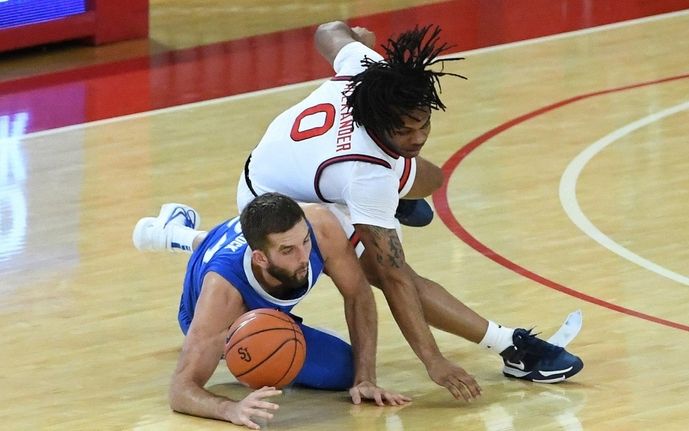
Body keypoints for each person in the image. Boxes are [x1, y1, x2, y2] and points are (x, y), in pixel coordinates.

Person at [236, 20, 584, 403]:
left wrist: (354, 38)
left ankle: (388, 209)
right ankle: (511, 347)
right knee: (389, 271)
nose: (417, 137)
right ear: (381, 122)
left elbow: (327, 30)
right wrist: (433, 359)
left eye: (424, 125)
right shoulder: (366, 174)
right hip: (277, 197)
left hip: (312, 161)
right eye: (406, 130)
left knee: (431, 179)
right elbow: (395, 277)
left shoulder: (369, 71)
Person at [132, 195, 410, 430]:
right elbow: (181, 390)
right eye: (288, 250)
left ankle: (188, 235)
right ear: (260, 259)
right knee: (248, 358)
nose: (304, 257)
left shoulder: (319, 226)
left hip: (258, 291)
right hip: (207, 308)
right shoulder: (222, 296)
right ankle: (181, 236)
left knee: (349, 372)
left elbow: (359, 294)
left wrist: (365, 379)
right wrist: (231, 410)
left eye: (304, 242)